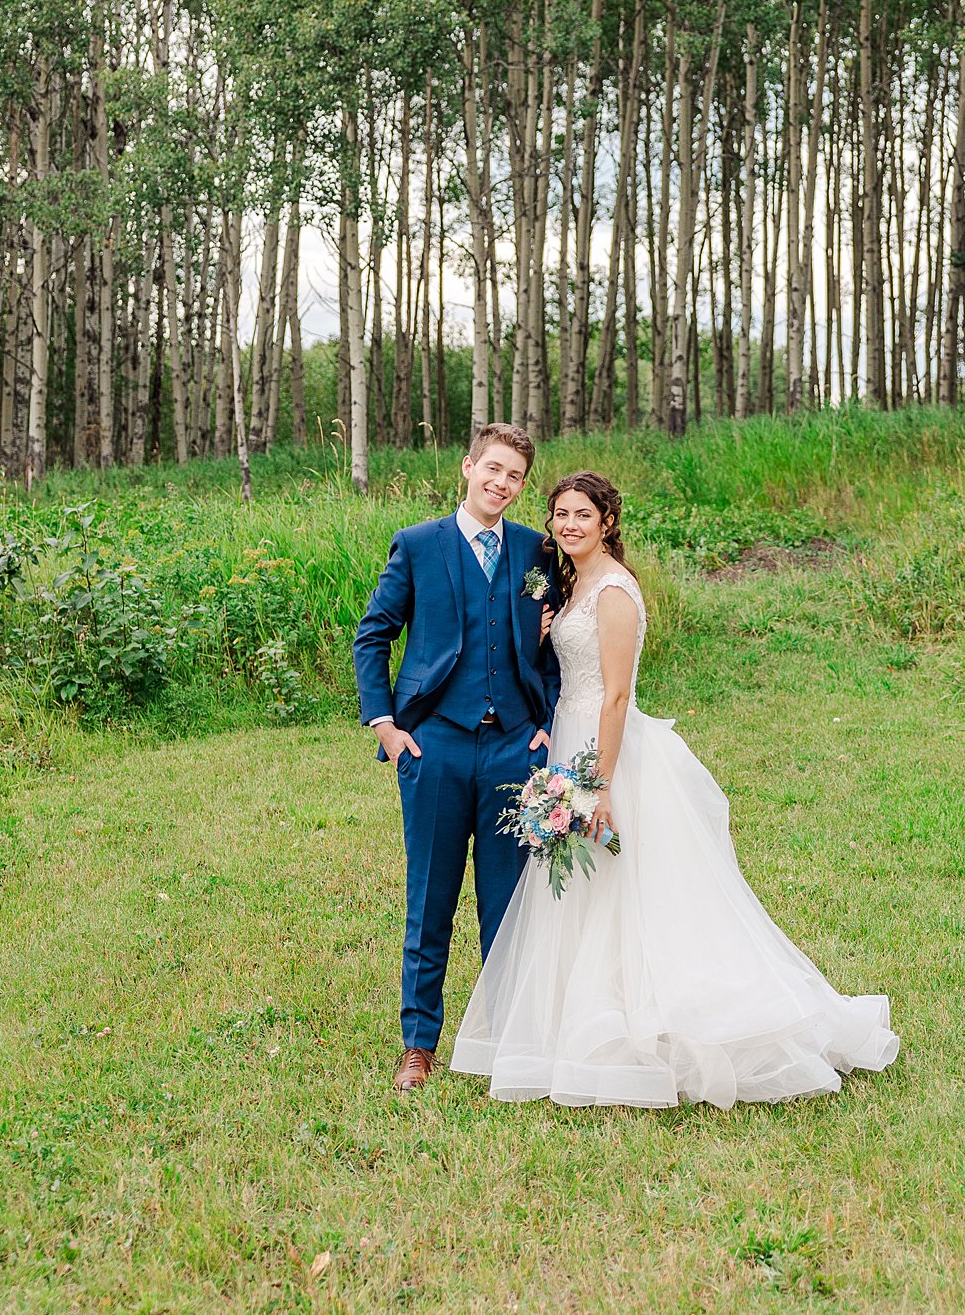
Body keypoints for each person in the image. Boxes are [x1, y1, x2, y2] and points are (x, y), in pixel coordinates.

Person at [451, 470, 901, 1107]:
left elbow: (614, 694)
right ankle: (576, 1025)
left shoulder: (612, 590)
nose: (568, 525)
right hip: (569, 740)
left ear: (608, 521)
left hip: (602, 752)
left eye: (582, 514)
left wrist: (595, 786)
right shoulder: (573, 586)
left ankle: (648, 1028)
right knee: (583, 894)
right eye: (559, 514)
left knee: (627, 893)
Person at [353, 422, 560, 1092]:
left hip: (512, 750)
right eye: (493, 469)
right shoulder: (418, 545)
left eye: (515, 477)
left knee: (507, 902)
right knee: (431, 898)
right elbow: (373, 635)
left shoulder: (534, 552)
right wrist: (386, 726)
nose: (502, 483)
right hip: (434, 745)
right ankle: (418, 1045)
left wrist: (546, 723)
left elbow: (556, 644)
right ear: (467, 466)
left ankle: (503, 1037)